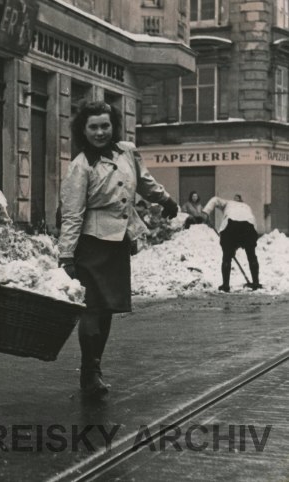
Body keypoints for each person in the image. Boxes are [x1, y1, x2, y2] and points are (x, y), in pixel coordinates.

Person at [58, 101, 178, 399]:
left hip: (118, 243)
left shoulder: (127, 151)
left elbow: (145, 183)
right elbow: (72, 213)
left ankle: (95, 366)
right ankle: (90, 372)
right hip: (90, 244)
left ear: (113, 126)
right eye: (93, 127)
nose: (100, 132)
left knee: (108, 308)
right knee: (91, 309)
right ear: (82, 131)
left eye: (105, 126)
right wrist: (66, 254)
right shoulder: (81, 165)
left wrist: (166, 200)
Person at [202, 194, 261, 292]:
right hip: (249, 226)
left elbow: (215, 199)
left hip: (231, 225)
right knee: (251, 255)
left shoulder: (228, 203)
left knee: (226, 257)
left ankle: (225, 285)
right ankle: (256, 283)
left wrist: (206, 212)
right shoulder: (246, 206)